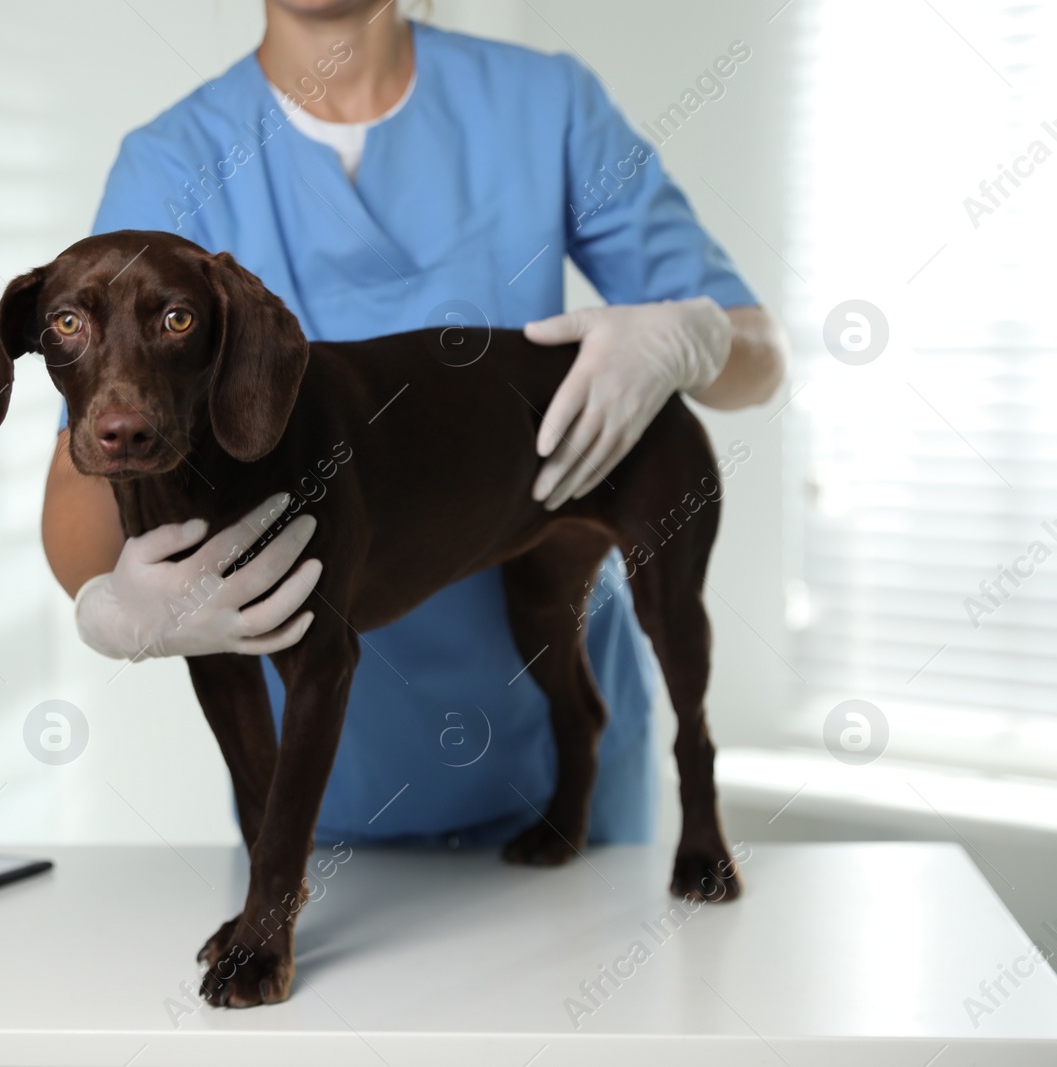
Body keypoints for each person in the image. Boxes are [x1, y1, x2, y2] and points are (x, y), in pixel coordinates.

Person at [42, 0, 787, 850]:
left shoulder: (544, 103)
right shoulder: (175, 161)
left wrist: (696, 333)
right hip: (323, 778)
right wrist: (116, 606)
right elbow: (83, 461)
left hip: (559, 747)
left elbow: (762, 356)